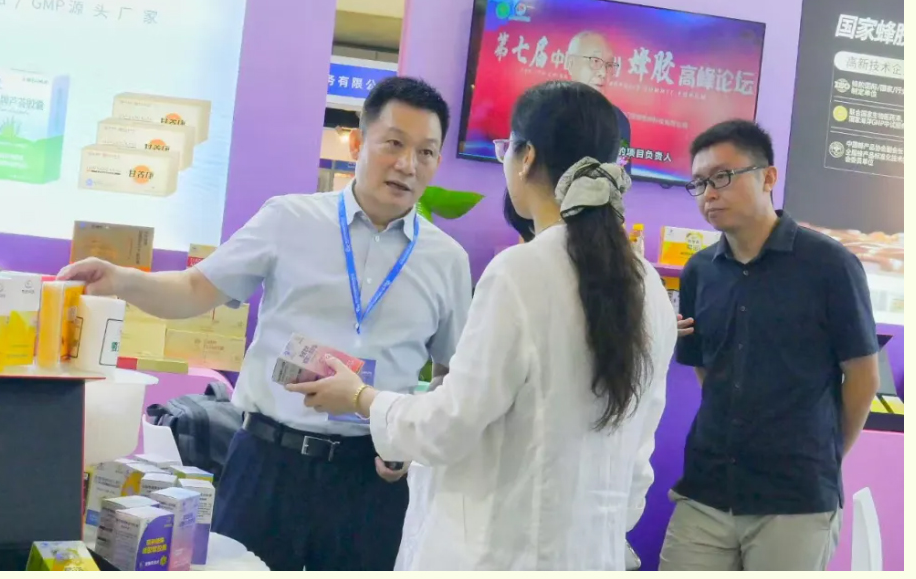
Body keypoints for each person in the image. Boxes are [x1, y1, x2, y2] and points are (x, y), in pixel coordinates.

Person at [59, 77, 473, 571]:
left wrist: (408, 440)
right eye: (394, 144)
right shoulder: (288, 220)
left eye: (426, 152)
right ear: (358, 143)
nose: (408, 164)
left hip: (369, 479)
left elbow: (453, 374)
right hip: (268, 463)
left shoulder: (447, 260)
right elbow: (195, 288)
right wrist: (122, 280)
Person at [287, 80, 678, 570]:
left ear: (526, 157)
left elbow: (450, 425)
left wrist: (362, 398)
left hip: (499, 553)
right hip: (590, 555)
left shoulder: (522, 271)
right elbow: (639, 459)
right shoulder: (649, 288)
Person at [659, 120, 880, 571]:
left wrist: (826, 455)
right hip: (707, 489)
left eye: (722, 177)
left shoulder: (830, 265)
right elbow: (708, 369)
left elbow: (862, 377)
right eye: (699, 183)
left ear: (768, 177)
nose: (709, 194)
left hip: (794, 500)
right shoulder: (699, 271)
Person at [565, 30, 632, 151]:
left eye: (609, 65)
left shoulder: (618, 120)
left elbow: (621, 162)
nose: (603, 73)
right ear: (570, 63)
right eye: (595, 61)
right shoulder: (545, 110)